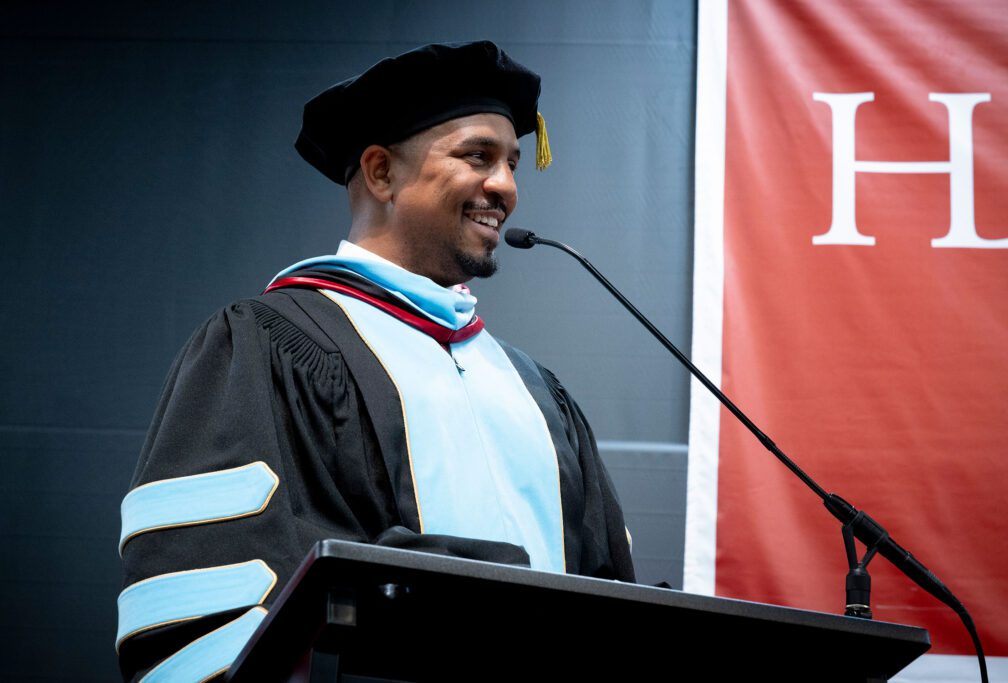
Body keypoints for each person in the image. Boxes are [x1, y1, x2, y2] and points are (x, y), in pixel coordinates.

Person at [116, 41, 634, 682]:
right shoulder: (264, 347)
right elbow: (230, 600)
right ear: (382, 172)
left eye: (511, 164)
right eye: (478, 156)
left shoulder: (536, 393)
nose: (505, 186)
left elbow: (608, 598)